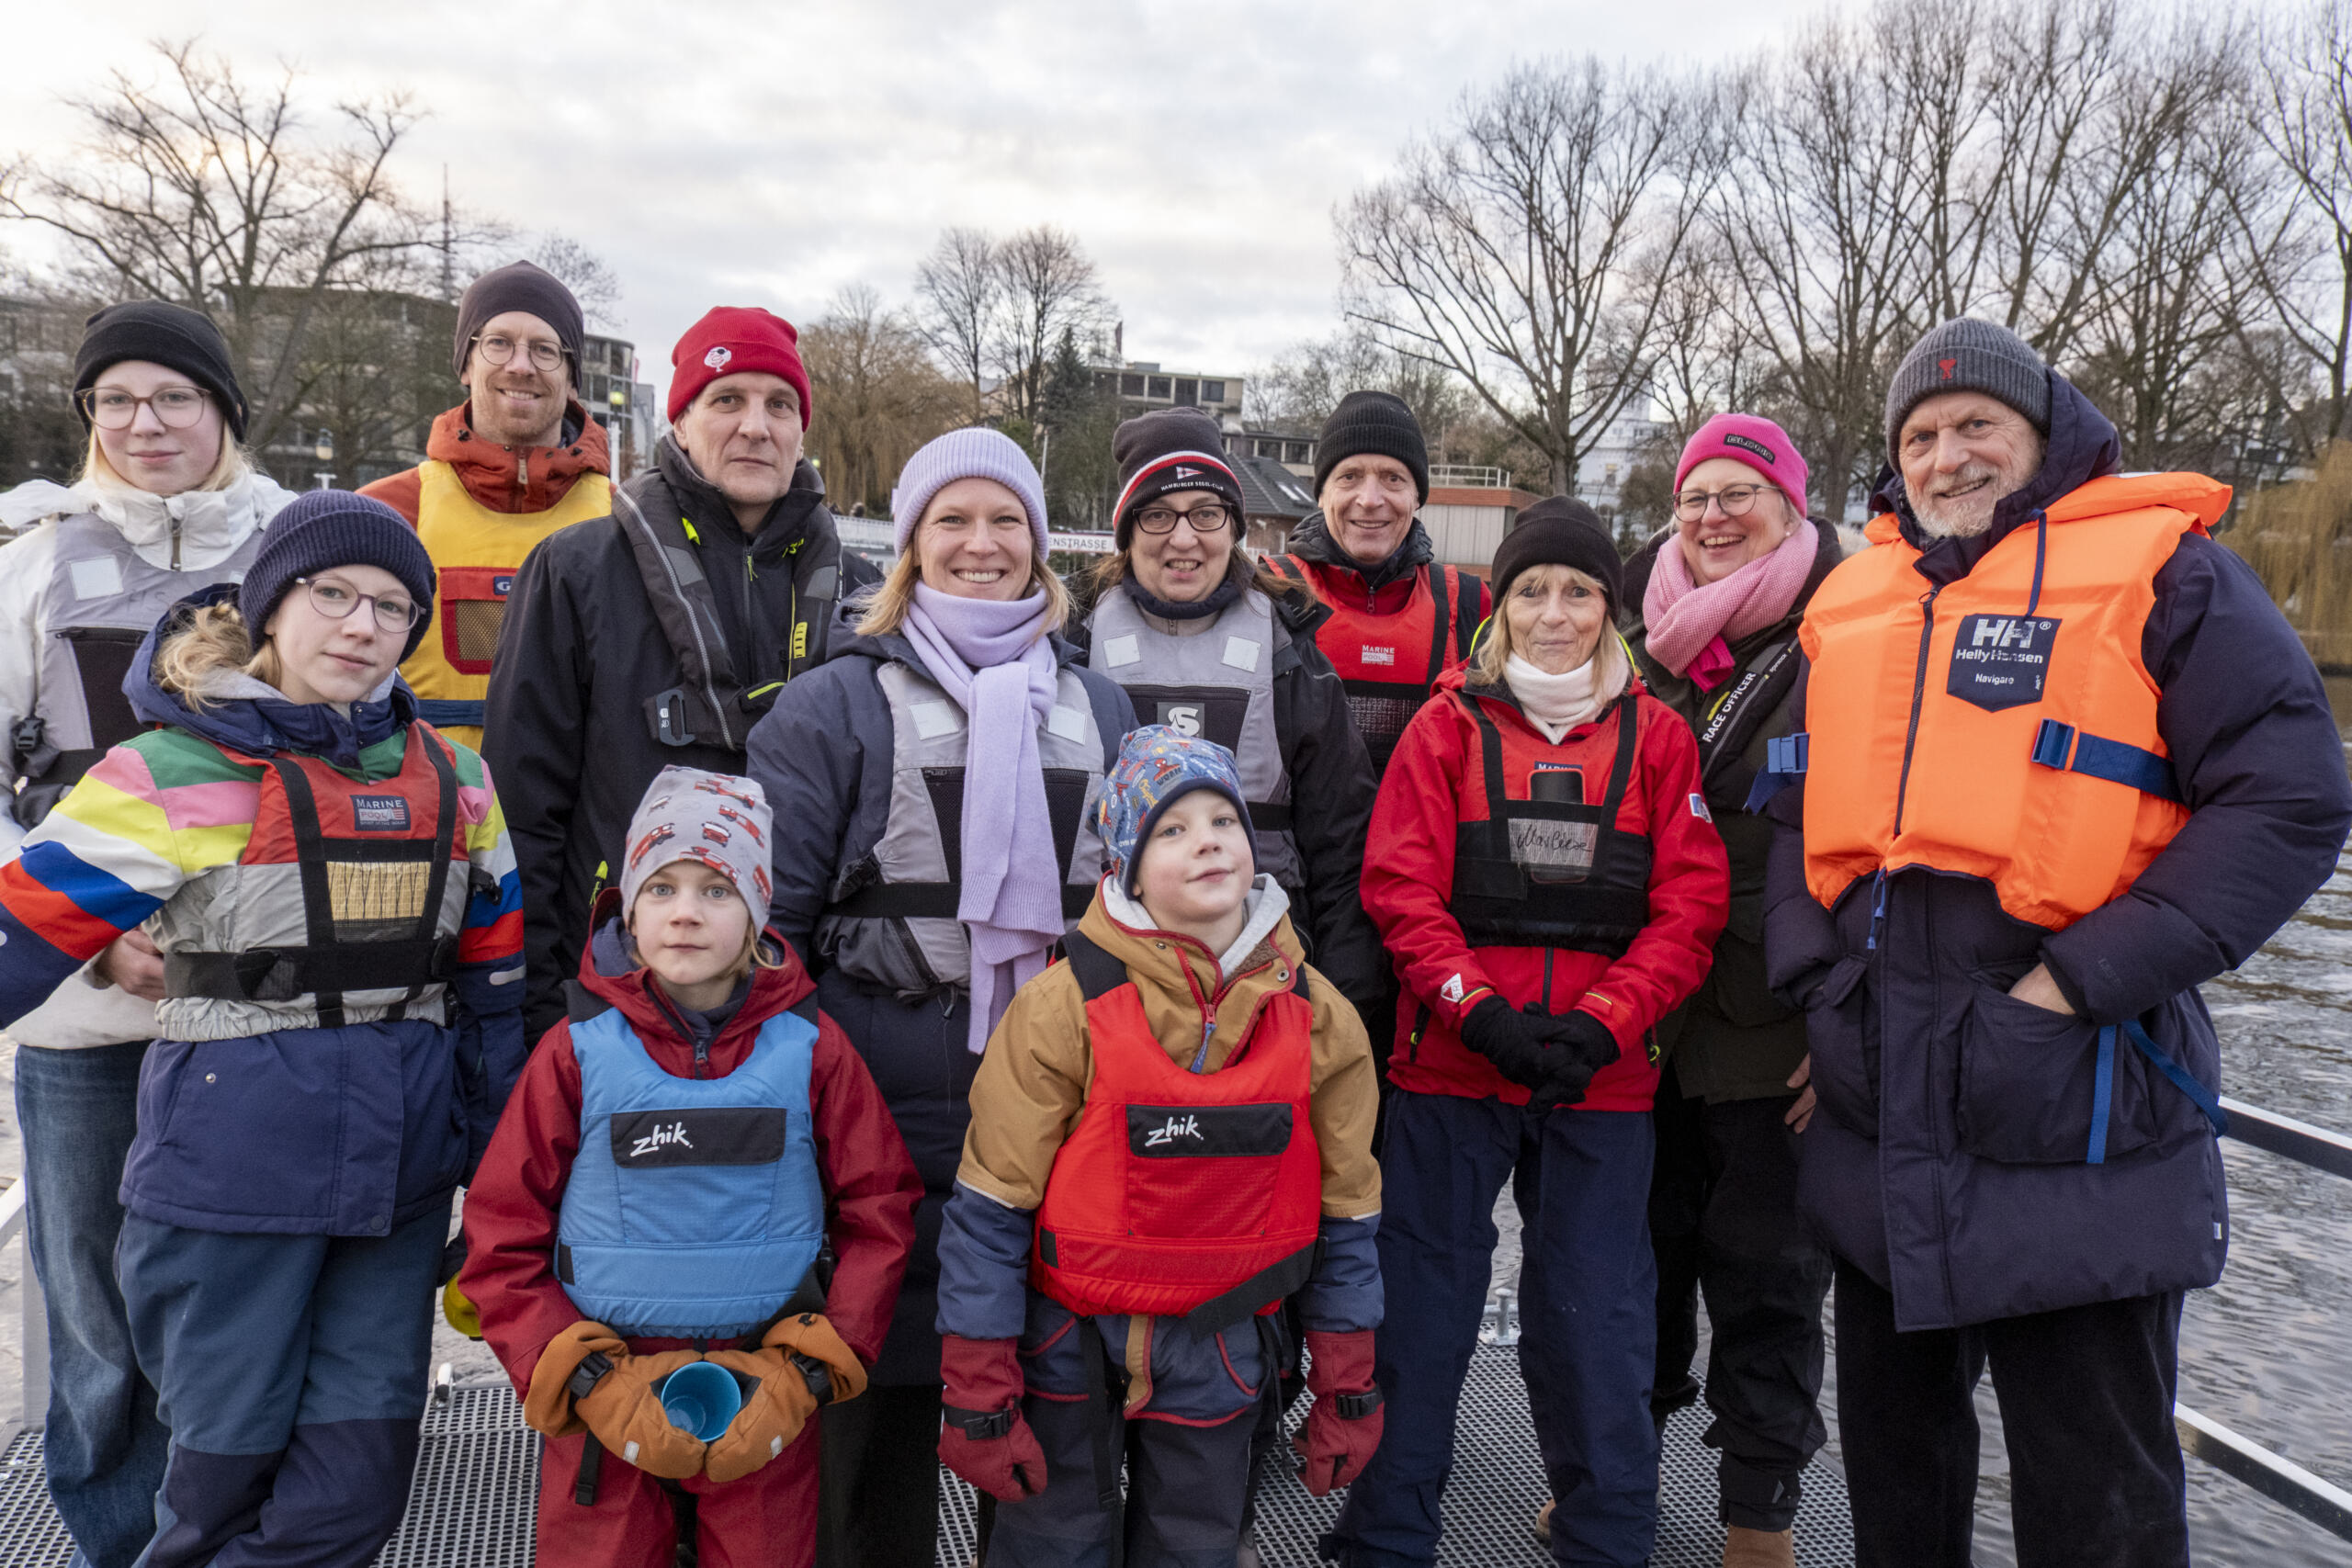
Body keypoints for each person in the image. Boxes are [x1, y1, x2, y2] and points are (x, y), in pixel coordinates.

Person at [1758, 318, 2352, 1567]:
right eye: (1920, 436)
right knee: (1897, 1487)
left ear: (2044, 432)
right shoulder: (1851, 601)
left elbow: (2291, 796)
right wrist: (1815, 982)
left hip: (2079, 1099)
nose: (1948, 456)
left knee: (2098, 1503)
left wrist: (2077, 980)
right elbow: (1792, 808)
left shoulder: (2168, 572)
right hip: (1880, 1107)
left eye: (1977, 424)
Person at [0, 490, 528, 1566]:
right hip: (226, 1189)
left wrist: (499, 1179)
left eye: (391, 607)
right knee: (216, 1492)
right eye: (331, 594)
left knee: (356, 1491)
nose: (361, 626)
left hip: (395, 1193)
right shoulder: (168, 772)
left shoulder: (461, 783)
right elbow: (18, 936)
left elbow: (494, 996)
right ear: (272, 605)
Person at [745, 428, 1136, 1568]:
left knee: (1052, 1389)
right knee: (879, 1398)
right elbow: (770, 929)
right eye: (951, 520)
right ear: (912, 543)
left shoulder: (1104, 709)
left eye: (1005, 519)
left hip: (1064, 1103)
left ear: (1038, 543)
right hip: (880, 1102)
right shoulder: (831, 707)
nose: (981, 543)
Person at [1326, 499, 1730, 1568]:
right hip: (1454, 1071)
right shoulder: (1445, 729)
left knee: (1597, 1318)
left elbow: (1689, 909)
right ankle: (1386, 1538)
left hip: (1602, 1083)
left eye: (1579, 592)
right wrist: (1480, 1012)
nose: (1555, 614)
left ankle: (1605, 1537)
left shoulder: (1658, 739)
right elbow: (1400, 888)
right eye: (1532, 592)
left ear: (1609, 609)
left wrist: (1604, 1025)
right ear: (1498, 608)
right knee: (1420, 1317)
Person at [933, 727, 1385, 1568]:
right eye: (1172, 828)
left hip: (1223, 1346)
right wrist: (977, 1387)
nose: (1207, 840)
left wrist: (1347, 1381)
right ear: (1128, 869)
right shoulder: (1060, 1008)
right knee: (1052, 1548)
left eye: (1224, 820)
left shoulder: (1320, 1016)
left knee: (1194, 1549)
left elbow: (1349, 1213)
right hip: (1069, 1346)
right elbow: (991, 1206)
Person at [0, 299, 295, 1568]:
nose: (144, 423)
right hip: (84, 1009)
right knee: (93, 1296)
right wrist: (90, 939)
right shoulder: (31, 562)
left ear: (222, 409)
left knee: (242, 1295)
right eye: (115, 400)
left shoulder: (298, 549)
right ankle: (119, 1540)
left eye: (174, 396)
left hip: (266, 1002)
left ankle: (248, 1532)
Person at [458, 766, 921, 1566]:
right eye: (661, 887)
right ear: (629, 910)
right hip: (608, 1400)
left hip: (766, 1393)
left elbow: (879, 1209)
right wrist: (581, 1377)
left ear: (757, 912)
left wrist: (808, 1374)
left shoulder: (813, 1049)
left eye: (717, 889)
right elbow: (502, 1229)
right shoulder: (574, 1052)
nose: (685, 911)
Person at [490, 306, 878, 1043]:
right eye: (728, 399)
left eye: (780, 406)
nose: (756, 427)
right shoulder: (576, 571)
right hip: (612, 996)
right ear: (681, 421)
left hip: (797, 1003)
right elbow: (523, 813)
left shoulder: (863, 597)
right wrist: (544, 1014)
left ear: (801, 431)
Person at [1618, 414, 1842, 1568]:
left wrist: (1848, 1022)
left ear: (1789, 508)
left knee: (1769, 1282)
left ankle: (1758, 1517)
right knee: (1635, 1267)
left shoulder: (1844, 638)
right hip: (1641, 1024)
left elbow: (1889, 846)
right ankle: (1620, 1475)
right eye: (1694, 496)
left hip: (1774, 1025)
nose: (1712, 516)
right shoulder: (1638, 645)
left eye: (1739, 493)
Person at [1070, 405, 1385, 1031]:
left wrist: (1345, 1002)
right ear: (1127, 531)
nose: (1184, 538)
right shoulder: (1072, 641)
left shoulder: (1288, 652)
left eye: (1206, 513)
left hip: (1264, 973)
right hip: (1109, 979)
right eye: (1157, 515)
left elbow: (1344, 843)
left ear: (1234, 527)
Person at [359, 260, 612, 751]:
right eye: (499, 343)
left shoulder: (627, 522)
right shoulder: (382, 514)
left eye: (545, 350)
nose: (521, 365)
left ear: (572, 379)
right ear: (465, 364)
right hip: (422, 795)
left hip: (574, 799)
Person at [1263, 390, 1491, 782]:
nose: (1370, 500)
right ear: (1321, 494)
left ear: (1417, 496)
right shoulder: (1267, 592)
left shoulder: (1470, 603)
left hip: (1424, 822)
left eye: (1393, 478)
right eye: (1349, 476)